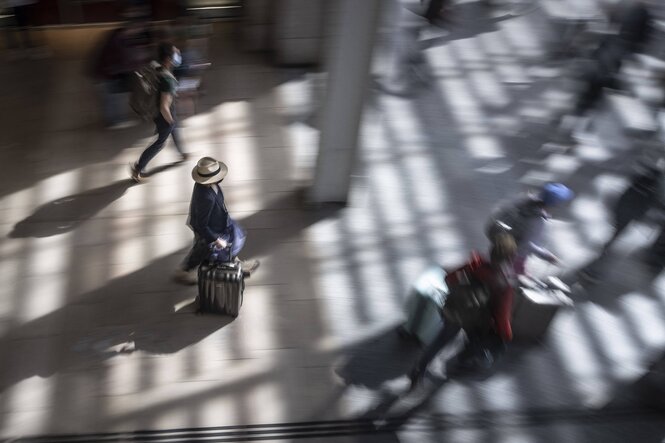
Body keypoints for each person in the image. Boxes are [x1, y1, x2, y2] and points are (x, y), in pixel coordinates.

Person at [408, 233, 518, 389]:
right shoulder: (505, 284)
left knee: (441, 340)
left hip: (456, 312)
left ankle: (419, 368)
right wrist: (506, 334)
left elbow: (448, 278)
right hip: (478, 321)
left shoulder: (474, 265)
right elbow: (502, 315)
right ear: (510, 258)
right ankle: (463, 362)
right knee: (478, 341)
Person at [173, 157, 260, 284]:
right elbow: (201, 225)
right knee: (202, 249)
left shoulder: (207, 186)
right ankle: (184, 271)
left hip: (219, 222)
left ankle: (234, 261)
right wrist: (215, 238)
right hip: (211, 228)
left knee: (225, 242)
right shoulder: (206, 197)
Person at [131, 42, 190, 182]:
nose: (179, 55)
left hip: (160, 109)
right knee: (160, 142)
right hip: (163, 113)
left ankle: (182, 153)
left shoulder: (156, 65)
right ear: (168, 59)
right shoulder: (168, 81)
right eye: (176, 53)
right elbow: (164, 106)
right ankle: (138, 168)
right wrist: (170, 121)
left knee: (175, 130)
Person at [487, 183, 574, 275]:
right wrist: (548, 256)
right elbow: (528, 245)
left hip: (500, 241)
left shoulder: (524, 201)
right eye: (561, 204)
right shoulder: (538, 220)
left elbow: (503, 211)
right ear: (555, 205)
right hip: (514, 255)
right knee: (517, 280)